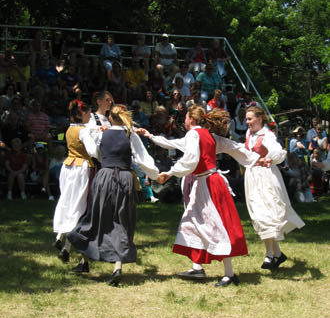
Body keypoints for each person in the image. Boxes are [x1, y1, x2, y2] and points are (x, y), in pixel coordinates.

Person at [138, 105, 261, 286]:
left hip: (208, 184)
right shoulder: (205, 135)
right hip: (210, 182)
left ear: (191, 120)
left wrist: (170, 173)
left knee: (215, 226)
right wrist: (150, 136)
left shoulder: (195, 135)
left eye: (186, 117)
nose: (184, 120)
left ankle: (229, 274)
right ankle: (197, 267)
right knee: (192, 222)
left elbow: (190, 159)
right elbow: (233, 146)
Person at [67, 106, 159, 286]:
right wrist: (156, 175)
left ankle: (84, 261)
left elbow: (94, 152)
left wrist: (96, 130)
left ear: (110, 117)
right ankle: (117, 267)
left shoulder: (102, 134)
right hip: (124, 178)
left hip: (104, 176)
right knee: (121, 219)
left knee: (96, 217)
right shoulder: (130, 135)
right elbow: (143, 158)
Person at [244, 106, 305, 270]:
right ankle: (277, 254)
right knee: (258, 215)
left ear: (260, 118)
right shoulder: (249, 134)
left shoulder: (267, 135)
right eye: (247, 118)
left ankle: (270, 255)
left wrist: (270, 158)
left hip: (266, 177)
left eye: (250, 119)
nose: (247, 122)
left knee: (268, 214)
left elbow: (278, 151)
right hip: (252, 177)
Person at [53, 100, 99, 263]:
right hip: (81, 169)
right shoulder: (83, 131)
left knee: (67, 201)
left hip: (68, 166)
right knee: (80, 207)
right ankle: (67, 243)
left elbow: (85, 130)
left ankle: (61, 238)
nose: (89, 116)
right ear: (81, 114)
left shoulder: (69, 129)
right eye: (87, 113)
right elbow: (93, 151)